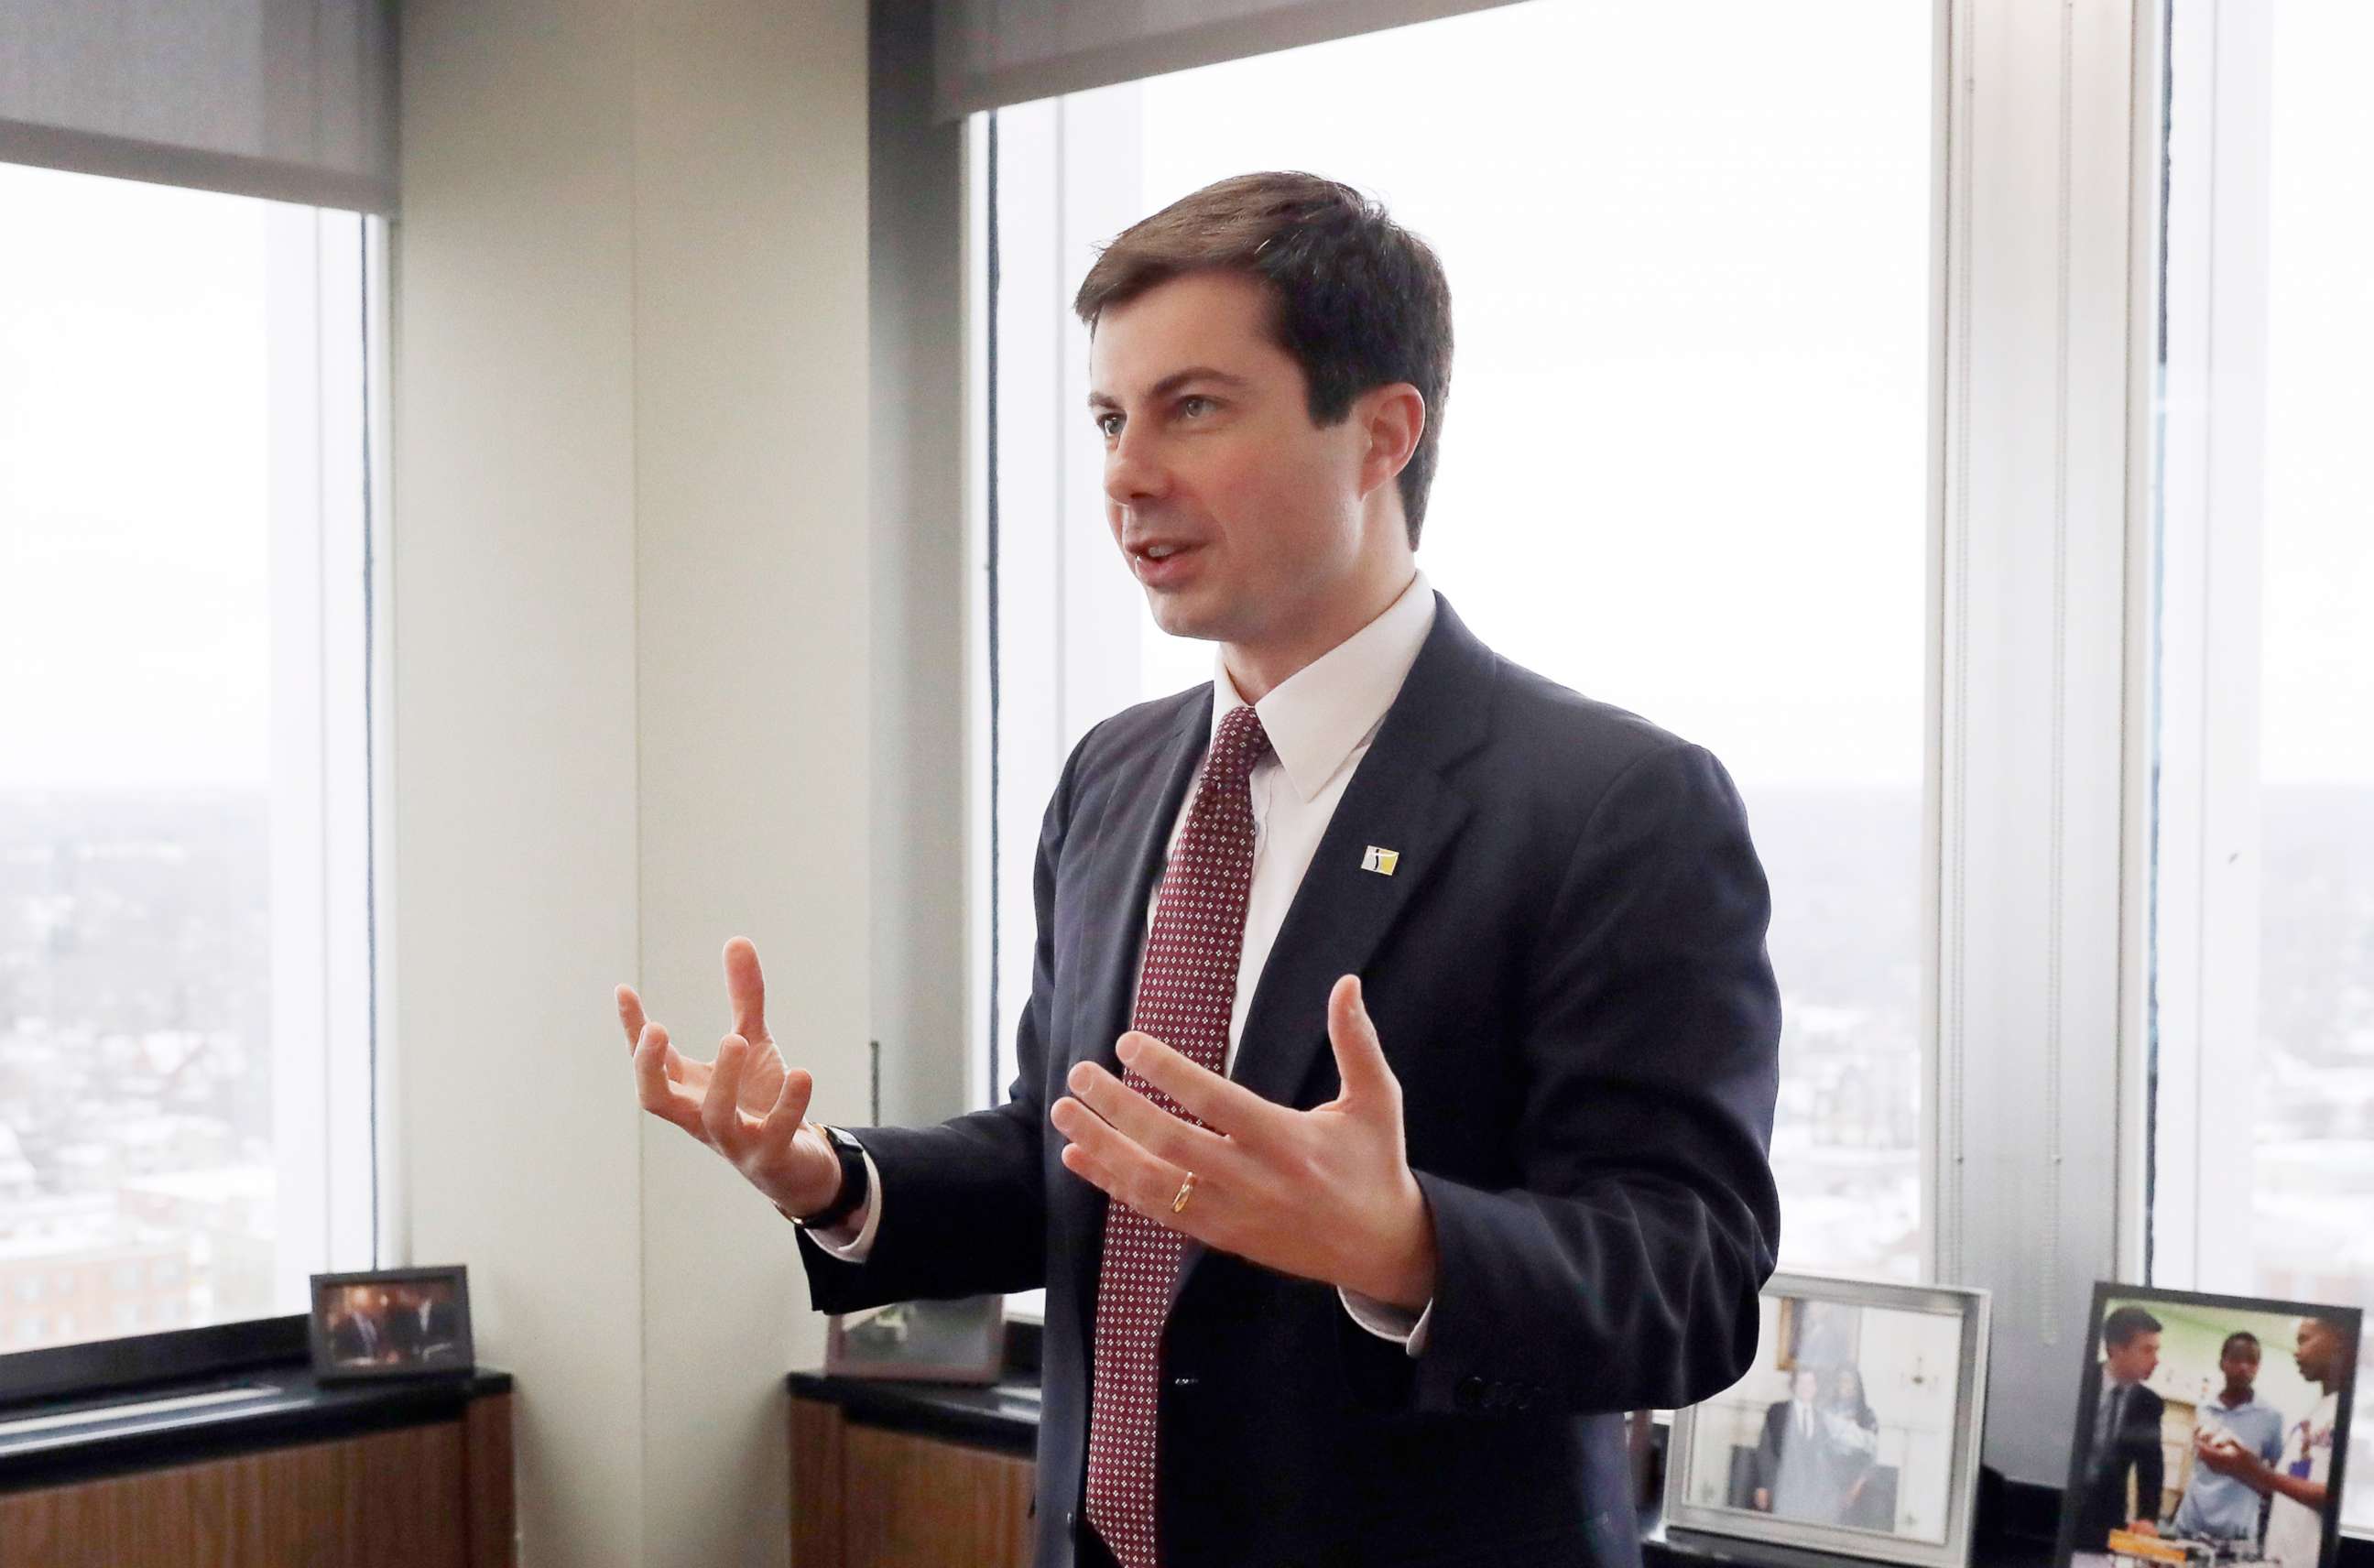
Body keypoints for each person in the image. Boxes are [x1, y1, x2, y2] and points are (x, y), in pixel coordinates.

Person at [615, 171, 1783, 1568]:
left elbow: (1696, 1283)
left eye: (1195, 409)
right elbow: (1081, 1153)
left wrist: (1406, 1241)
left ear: (1380, 433)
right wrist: (833, 1177)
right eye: (1111, 419)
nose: (1123, 475)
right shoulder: (1115, 776)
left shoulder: (1616, 803)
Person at [2194, 1316, 2353, 1568]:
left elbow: (2339, 1497)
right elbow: (2281, 1490)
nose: (2296, 1351)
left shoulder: (2353, 1415)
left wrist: (2255, 1470)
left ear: (2340, 1340)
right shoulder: (2313, 1415)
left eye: (2305, 1339)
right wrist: (2237, 1468)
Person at [2169, 1332, 2285, 1549]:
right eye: (2236, 1359)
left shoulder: (2271, 1417)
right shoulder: (2204, 1407)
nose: (2244, 1367)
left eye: (2252, 1361)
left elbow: (2275, 1480)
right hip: (2188, 1528)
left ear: (2258, 1367)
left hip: (2234, 1540)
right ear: (2222, 1363)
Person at [2073, 1305, 2169, 1552]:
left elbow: (2151, 1465)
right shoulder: (2078, 1381)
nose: (2156, 1361)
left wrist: (2147, 1518)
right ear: (2116, 1349)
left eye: (2157, 1351)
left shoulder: (2149, 1404)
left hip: (2107, 1519)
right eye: (2147, 1350)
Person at [1754, 1367, 1841, 1521]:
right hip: (1781, 1488)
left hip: (1811, 1495)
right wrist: (1762, 1486)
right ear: (1793, 1385)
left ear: (1816, 1387)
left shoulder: (1822, 1418)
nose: (1806, 1387)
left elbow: (1826, 1460)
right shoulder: (1778, 1411)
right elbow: (1765, 1451)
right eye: (1802, 1382)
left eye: (1811, 1383)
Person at [1824, 1363, 1885, 1530]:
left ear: (1857, 1385)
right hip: (1830, 1479)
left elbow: (1872, 1458)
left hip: (1859, 1481)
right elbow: (1820, 1451)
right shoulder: (1826, 1413)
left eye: (1849, 1381)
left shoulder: (1868, 1416)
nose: (1845, 1386)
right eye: (1841, 1381)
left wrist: (1855, 1489)